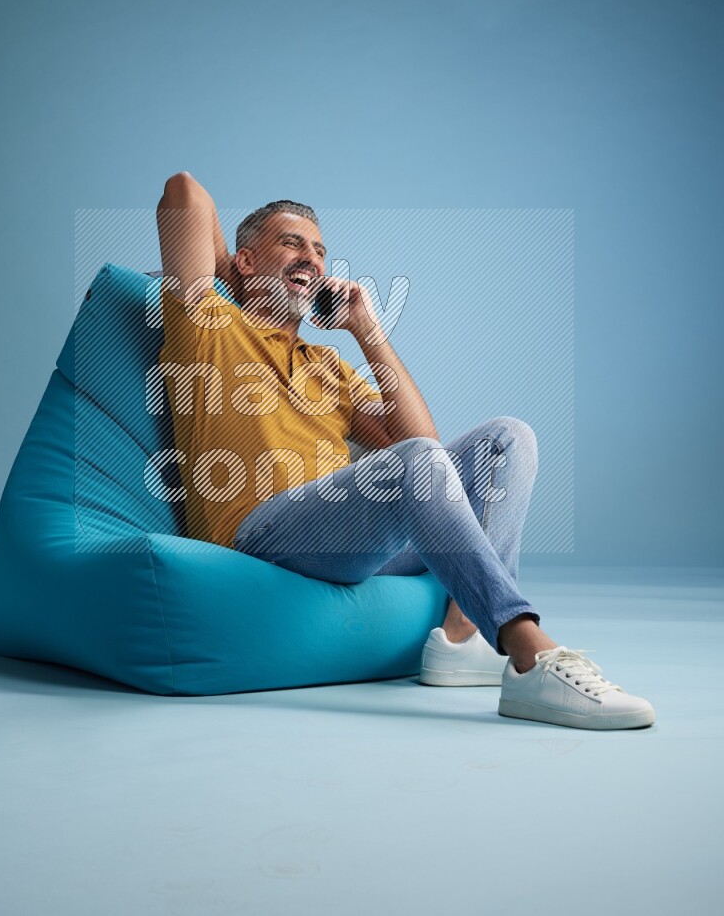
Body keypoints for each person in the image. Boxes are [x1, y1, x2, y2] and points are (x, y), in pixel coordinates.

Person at [156, 170, 655, 731]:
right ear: (245, 261)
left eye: (319, 253)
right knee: (416, 464)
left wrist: (367, 330)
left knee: (506, 439)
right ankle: (527, 649)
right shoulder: (208, 322)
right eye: (291, 243)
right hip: (258, 534)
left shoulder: (329, 367)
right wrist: (232, 278)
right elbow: (184, 191)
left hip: (344, 535)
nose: (311, 259)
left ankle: (462, 637)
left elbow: (423, 444)